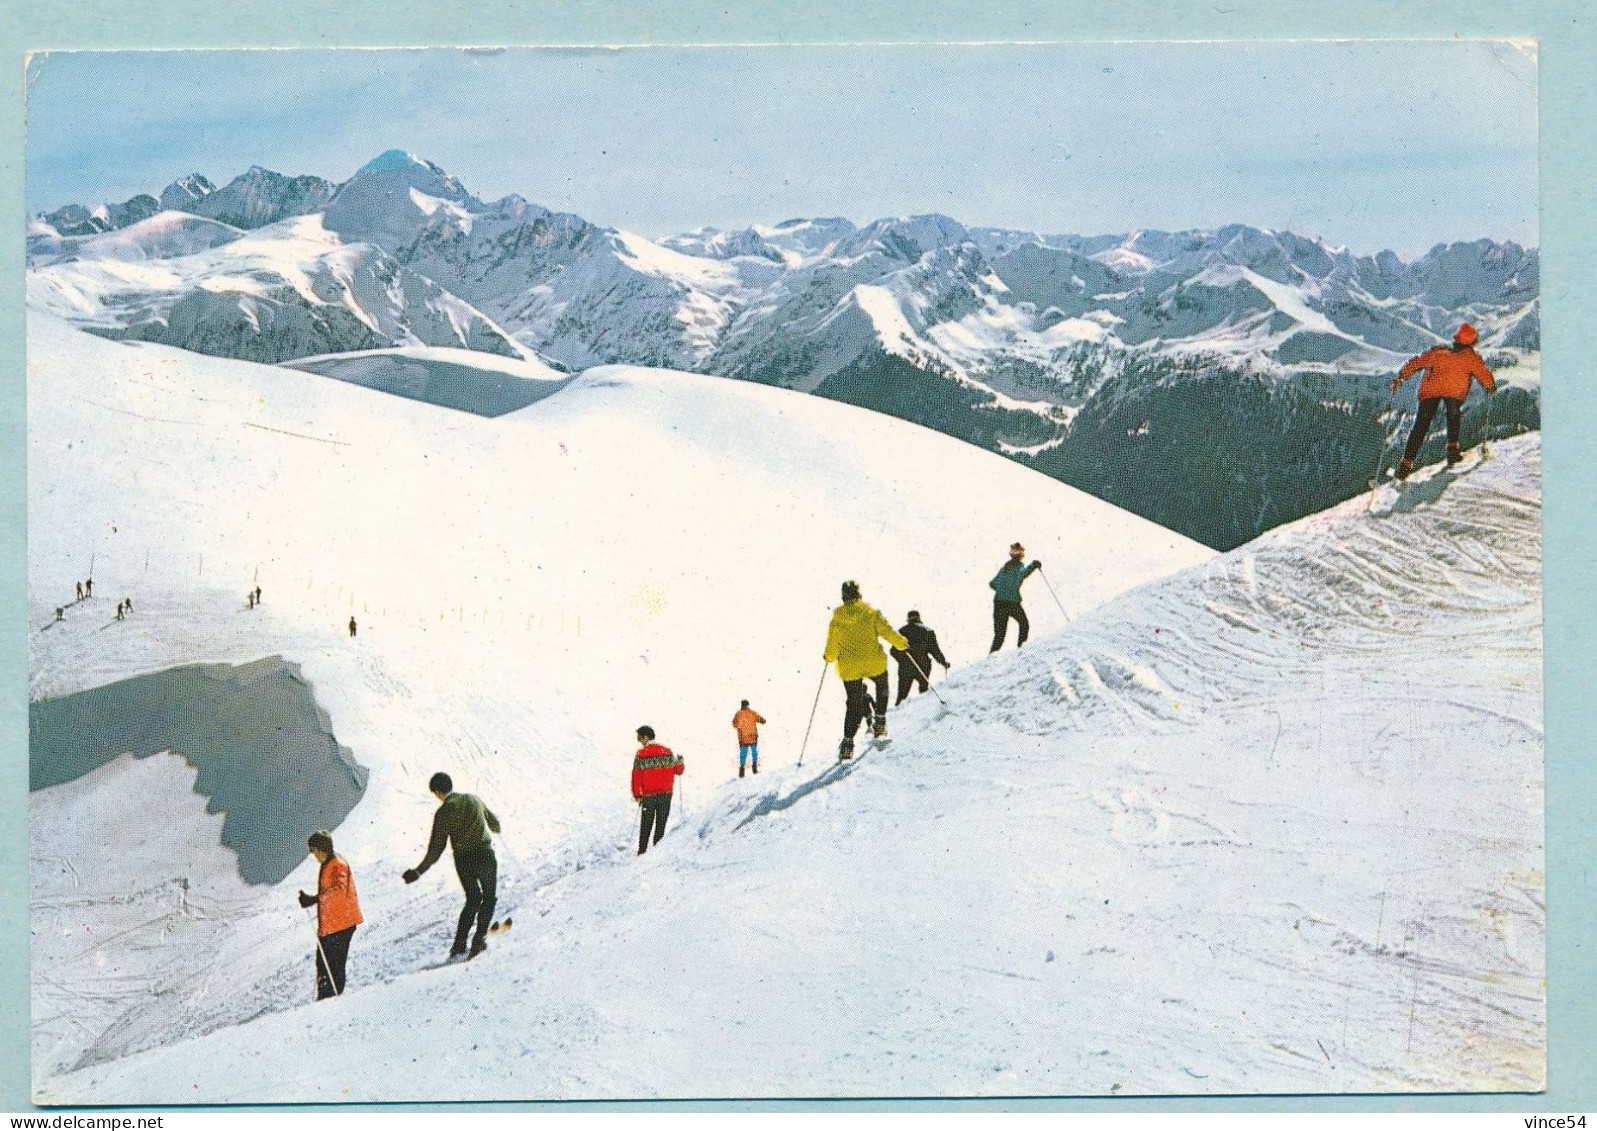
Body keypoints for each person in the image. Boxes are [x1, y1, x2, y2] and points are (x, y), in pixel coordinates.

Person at [403, 772, 501, 960]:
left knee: (473, 899)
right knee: (489, 897)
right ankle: (479, 940)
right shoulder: (473, 799)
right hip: (485, 855)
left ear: (438, 792)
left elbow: (436, 849)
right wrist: (494, 828)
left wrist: (418, 872)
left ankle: (459, 945)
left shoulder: (443, 812)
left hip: (464, 861)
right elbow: (495, 824)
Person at [1390, 322, 1497, 479]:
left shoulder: (1439, 352)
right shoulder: (1471, 358)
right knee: (1453, 416)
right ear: (1472, 342)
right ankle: (1452, 451)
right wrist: (1490, 387)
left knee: (1420, 426)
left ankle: (1406, 464)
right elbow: (1484, 374)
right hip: (1454, 393)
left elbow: (1417, 363)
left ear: (1456, 339)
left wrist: (1401, 377)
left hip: (1430, 392)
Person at [825, 580, 909, 760]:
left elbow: (831, 650)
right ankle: (879, 722)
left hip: (850, 667)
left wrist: (828, 657)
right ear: (859, 594)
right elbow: (889, 633)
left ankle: (847, 743)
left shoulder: (836, 620)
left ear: (843, 596)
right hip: (873, 662)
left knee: (854, 704)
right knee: (882, 687)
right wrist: (902, 644)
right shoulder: (871, 613)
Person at [298, 831, 362, 999]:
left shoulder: (337, 864)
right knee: (323, 964)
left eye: (313, 850)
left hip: (341, 925)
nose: (313, 854)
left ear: (320, 849)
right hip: (332, 925)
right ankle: (326, 999)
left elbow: (339, 889)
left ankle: (331, 1001)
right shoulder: (328, 863)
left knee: (333, 966)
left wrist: (314, 899)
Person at [632, 726, 684, 853]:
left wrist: (637, 795)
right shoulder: (667, 751)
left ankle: (642, 852)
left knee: (645, 826)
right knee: (660, 825)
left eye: (639, 737)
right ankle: (657, 854)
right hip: (666, 795)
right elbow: (678, 771)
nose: (638, 740)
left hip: (648, 797)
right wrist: (680, 761)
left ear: (646, 737)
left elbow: (636, 777)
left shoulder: (641, 755)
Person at [989, 543, 1041, 652]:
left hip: (998, 602)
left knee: (999, 634)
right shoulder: (1019, 566)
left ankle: (990, 659)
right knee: (1024, 624)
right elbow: (1024, 573)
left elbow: (992, 583)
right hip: (1012, 603)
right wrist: (1034, 565)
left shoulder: (1005, 567)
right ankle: (1021, 651)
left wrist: (1002, 590)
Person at [891, 610, 951, 704]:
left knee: (902, 695)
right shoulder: (928, 630)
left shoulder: (902, 631)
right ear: (919, 618)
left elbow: (893, 651)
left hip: (905, 667)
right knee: (923, 692)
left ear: (908, 619)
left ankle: (897, 715)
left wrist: (902, 659)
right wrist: (943, 662)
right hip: (923, 665)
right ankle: (923, 712)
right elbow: (935, 650)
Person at [732, 700, 766, 778]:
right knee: (754, 752)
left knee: (743, 754)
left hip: (743, 738)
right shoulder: (752, 713)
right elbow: (762, 720)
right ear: (748, 705)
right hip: (752, 736)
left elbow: (734, 724)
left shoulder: (738, 714)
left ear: (741, 705)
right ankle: (754, 769)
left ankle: (742, 771)